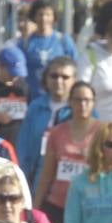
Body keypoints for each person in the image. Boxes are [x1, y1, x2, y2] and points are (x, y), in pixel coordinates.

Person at [36, 81, 102, 223]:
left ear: (94, 102)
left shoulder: (103, 131)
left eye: (87, 100)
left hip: (90, 206)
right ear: (70, 102)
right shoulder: (57, 133)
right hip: (58, 205)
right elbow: (46, 175)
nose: (83, 104)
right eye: (78, 100)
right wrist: (35, 209)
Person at [17, 57, 78, 188]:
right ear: (46, 79)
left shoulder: (82, 108)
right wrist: (22, 178)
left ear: (74, 80)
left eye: (65, 77)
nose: (59, 81)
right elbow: (24, 147)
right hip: (37, 177)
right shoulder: (35, 107)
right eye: (54, 76)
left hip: (69, 181)